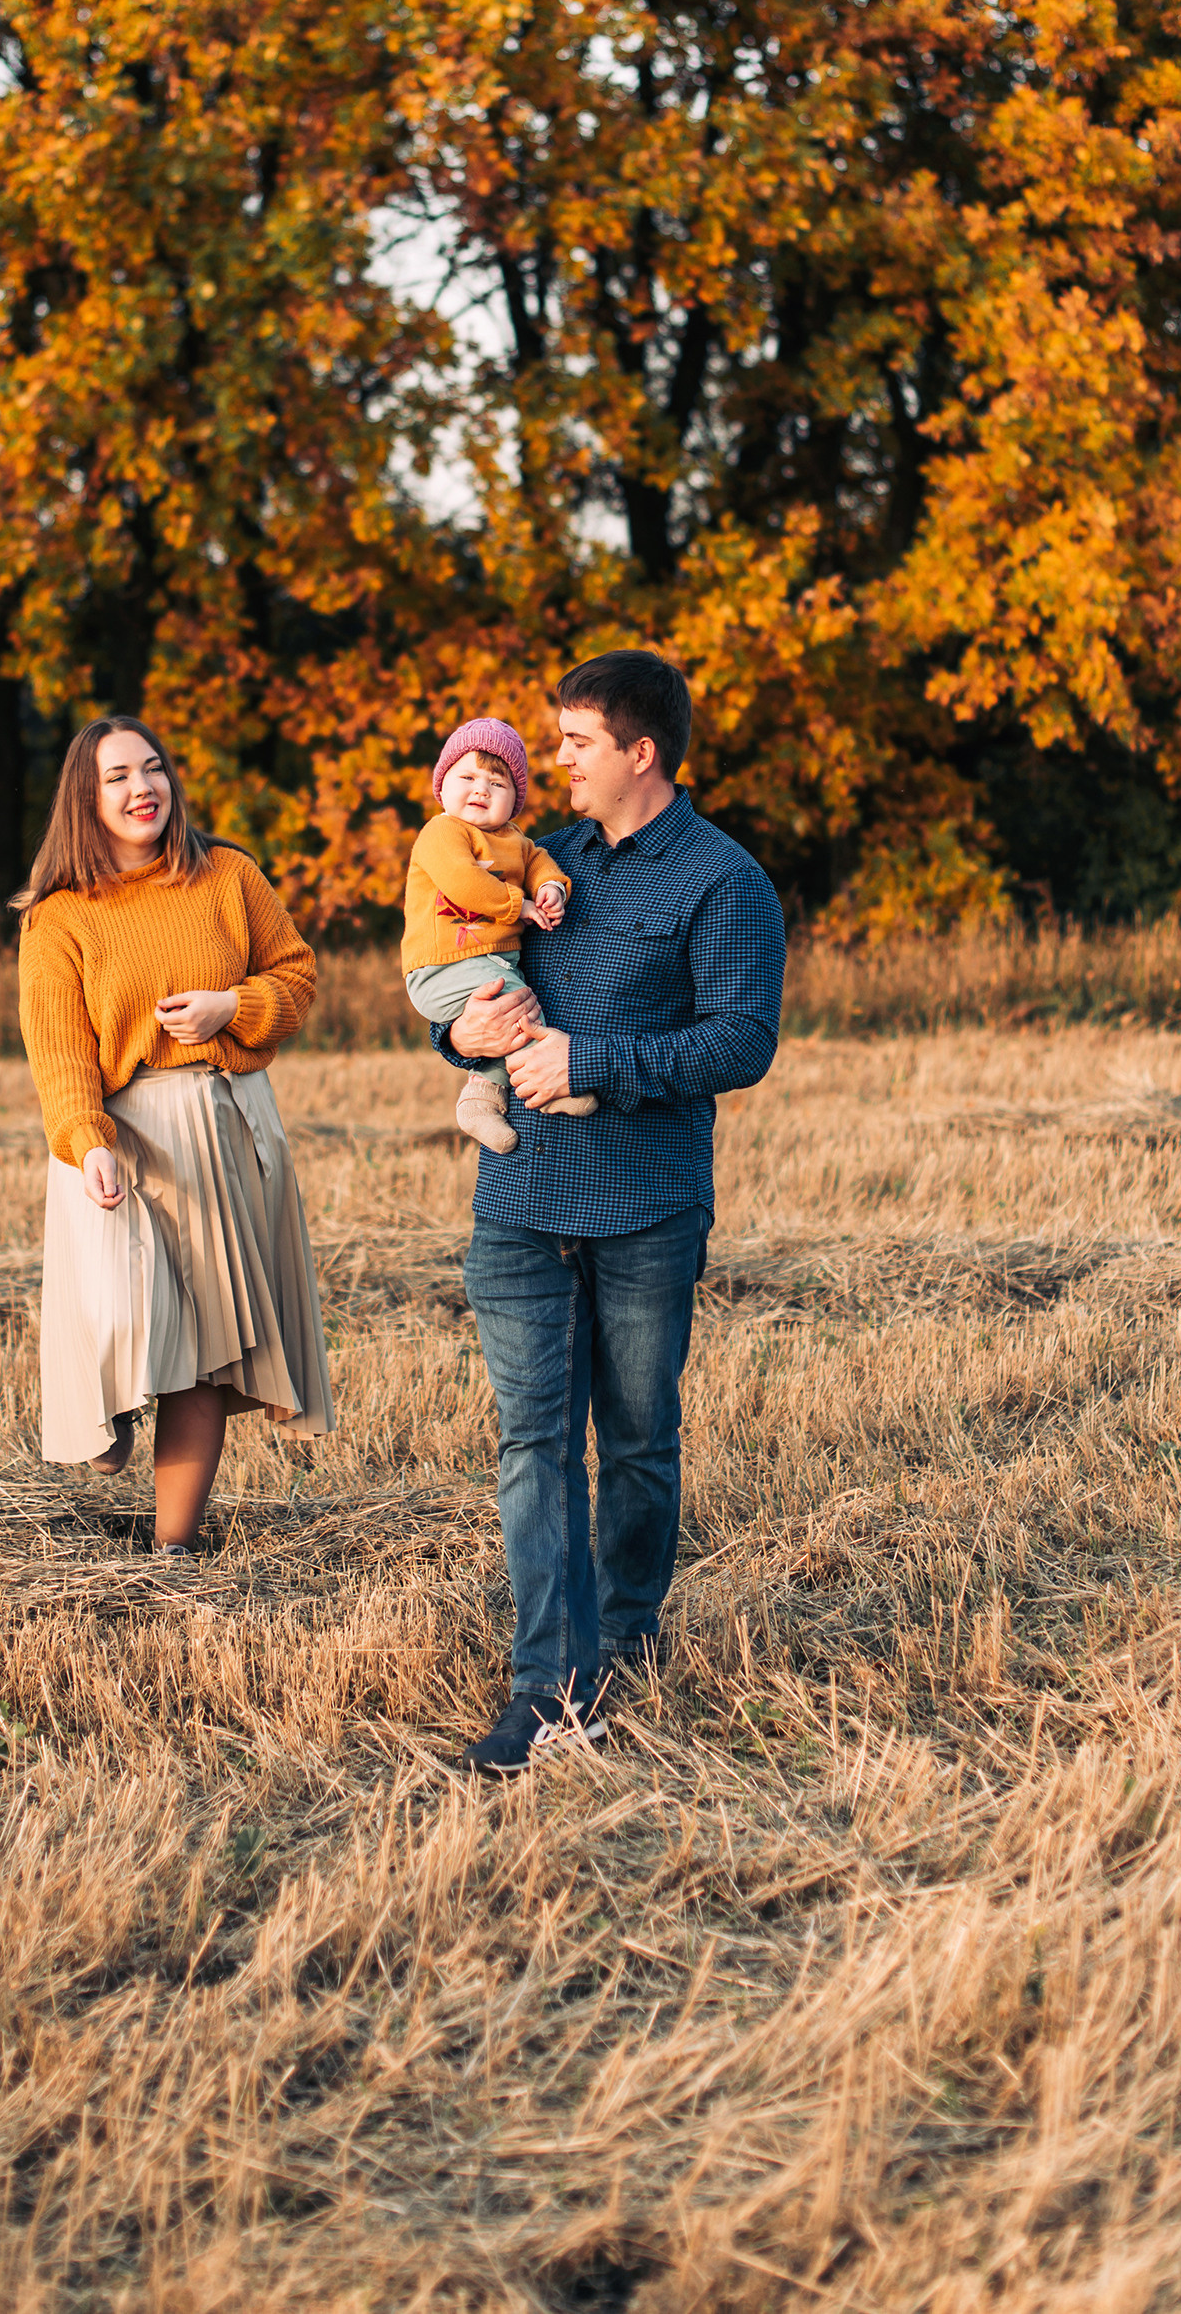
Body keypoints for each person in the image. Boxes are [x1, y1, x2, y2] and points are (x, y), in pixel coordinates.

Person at [434, 650, 784, 1775]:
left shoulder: (724, 883)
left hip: (644, 1205)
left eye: (576, 742)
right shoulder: (544, 863)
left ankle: (626, 1641)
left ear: (641, 753)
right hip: (520, 1202)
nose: (556, 761)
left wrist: (598, 1058)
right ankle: (547, 1686)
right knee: (534, 1444)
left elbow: (740, 1041)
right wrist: (458, 1037)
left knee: (635, 1441)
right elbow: (458, 966)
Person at [15, 715, 333, 1553]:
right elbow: (61, 1054)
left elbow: (297, 974)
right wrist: (87, 1142)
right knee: (129, 1320)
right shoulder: (60, 918)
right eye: (117, 776)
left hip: (226, 1124)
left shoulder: (227, 874)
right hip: (120, 1136)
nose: (141, 788)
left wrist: (237, 1006)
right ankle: (110, 1411)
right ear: (86, 798)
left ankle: (173, 1551)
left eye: (151, 769)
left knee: (205, 1355)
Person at [399, 714, 596, 1152]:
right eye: (466, 776)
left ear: (515, 801)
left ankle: (481, 1098)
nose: (480, 789)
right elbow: (463, 881)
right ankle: (545, 1084)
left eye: (497, 783)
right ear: (442, 784)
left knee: (507, 1008)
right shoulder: (442, 832)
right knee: (518, 1007)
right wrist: (519, 905)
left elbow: (541, 862)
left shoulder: (516, 841)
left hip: (483, 964)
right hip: (443, 964)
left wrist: (549, 889)